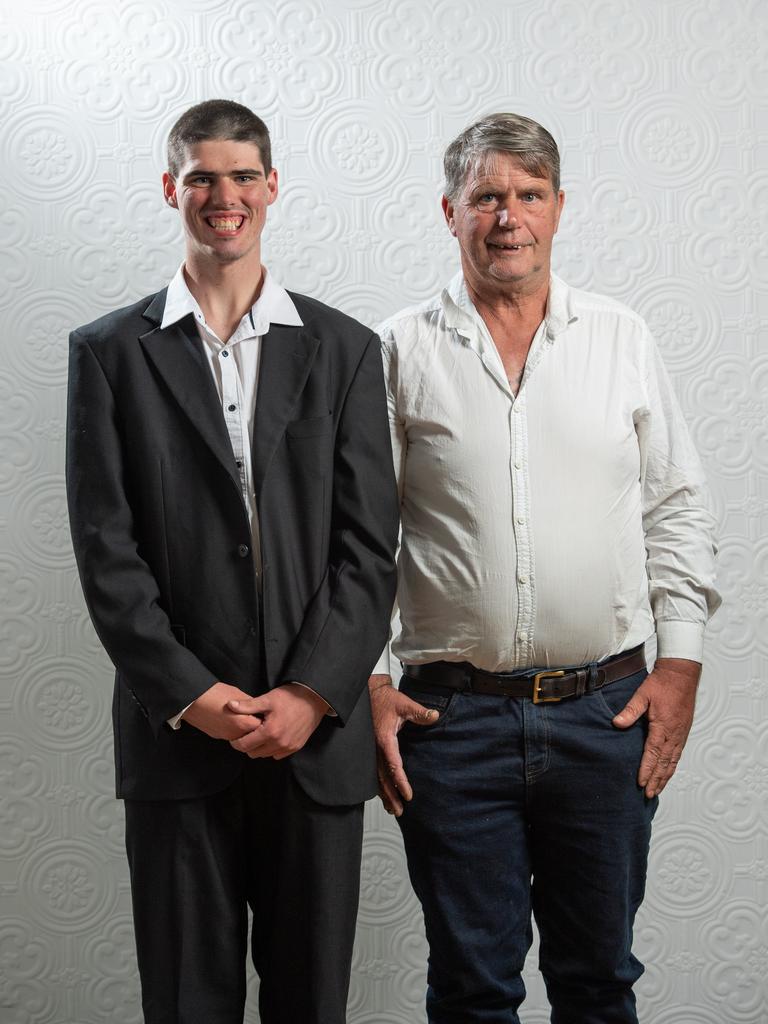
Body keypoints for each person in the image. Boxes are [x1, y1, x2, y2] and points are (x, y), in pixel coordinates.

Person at [369, 112, 720, 1024]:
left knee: (598, 983)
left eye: (528, 195)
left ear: (560, 208)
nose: (508, 216)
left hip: (607, 717)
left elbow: (675, 503)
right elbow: (358, 536)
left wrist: (679, 664)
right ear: (449, 212)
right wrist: (366, 678)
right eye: (486, 196)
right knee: (474, 991)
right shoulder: (398, 349)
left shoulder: (620, 336)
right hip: (452, 724)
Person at [66, 99, 399, 1024]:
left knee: (311, 1004)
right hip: (179, 743)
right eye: (204, 177)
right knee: (184, 1005)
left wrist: (312, 691)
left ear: (273, 188)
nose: (226, 196)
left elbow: (371, 550)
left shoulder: (344, 350)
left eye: (244, 176)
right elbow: (107, 552)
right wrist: (190, 692)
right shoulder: (106, 353)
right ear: (172, 188)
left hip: (315, 741)